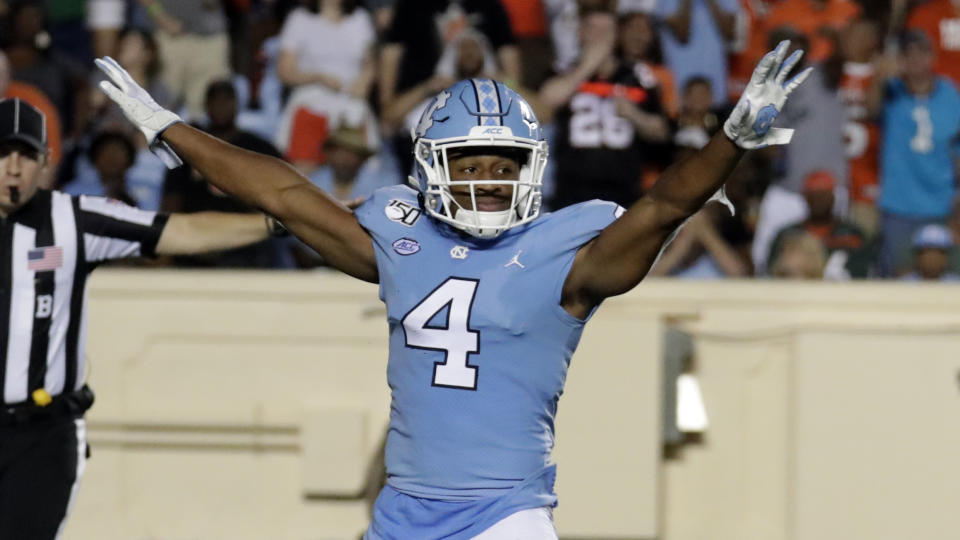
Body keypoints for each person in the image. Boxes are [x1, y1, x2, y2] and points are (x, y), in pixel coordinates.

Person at [96, 40, 811, 538]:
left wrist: (730, 142)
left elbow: (661, 207)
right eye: (472, 163)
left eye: (505, 164)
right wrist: (172, 129)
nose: (491, 179)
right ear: (433, 166)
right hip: (403, 510)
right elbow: (285, 193)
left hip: (505, 514)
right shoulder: (400, 234)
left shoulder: (566, 250)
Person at [0, 97, 284, 539]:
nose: (13, 169)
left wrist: (279, 221)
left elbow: (181, 231)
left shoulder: (74, 221)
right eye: (2, 153)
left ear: (47, 160)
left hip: (42, 434)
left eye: (26, 155)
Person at [539, 5, 670, 210]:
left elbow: (662, 131)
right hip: (571, 195)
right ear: (580, 33)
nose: (600, 36)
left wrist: (634, 115)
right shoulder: (564, 71)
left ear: (616, 35)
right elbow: (545, 103)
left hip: (623, 195)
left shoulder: (637, 77)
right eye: (593, 29)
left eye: (606, 30)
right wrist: (588, 66)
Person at [868, 30, 960, 277]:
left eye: (921, 53)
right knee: (897, 275)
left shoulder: (951, 95)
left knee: (944, 277)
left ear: (932, 57)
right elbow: (871, 110)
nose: (915, 59)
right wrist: (878, 77)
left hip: (941, 204)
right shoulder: (891, 90)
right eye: (908, 54)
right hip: (898, 206)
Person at [767, 170, 870, 279]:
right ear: (805, 197)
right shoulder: (787, 233)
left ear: (833, 197)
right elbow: (773, 271)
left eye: (823, 194)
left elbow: (863, 271)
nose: (819, 200)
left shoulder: (853, 233)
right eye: (814, 194)